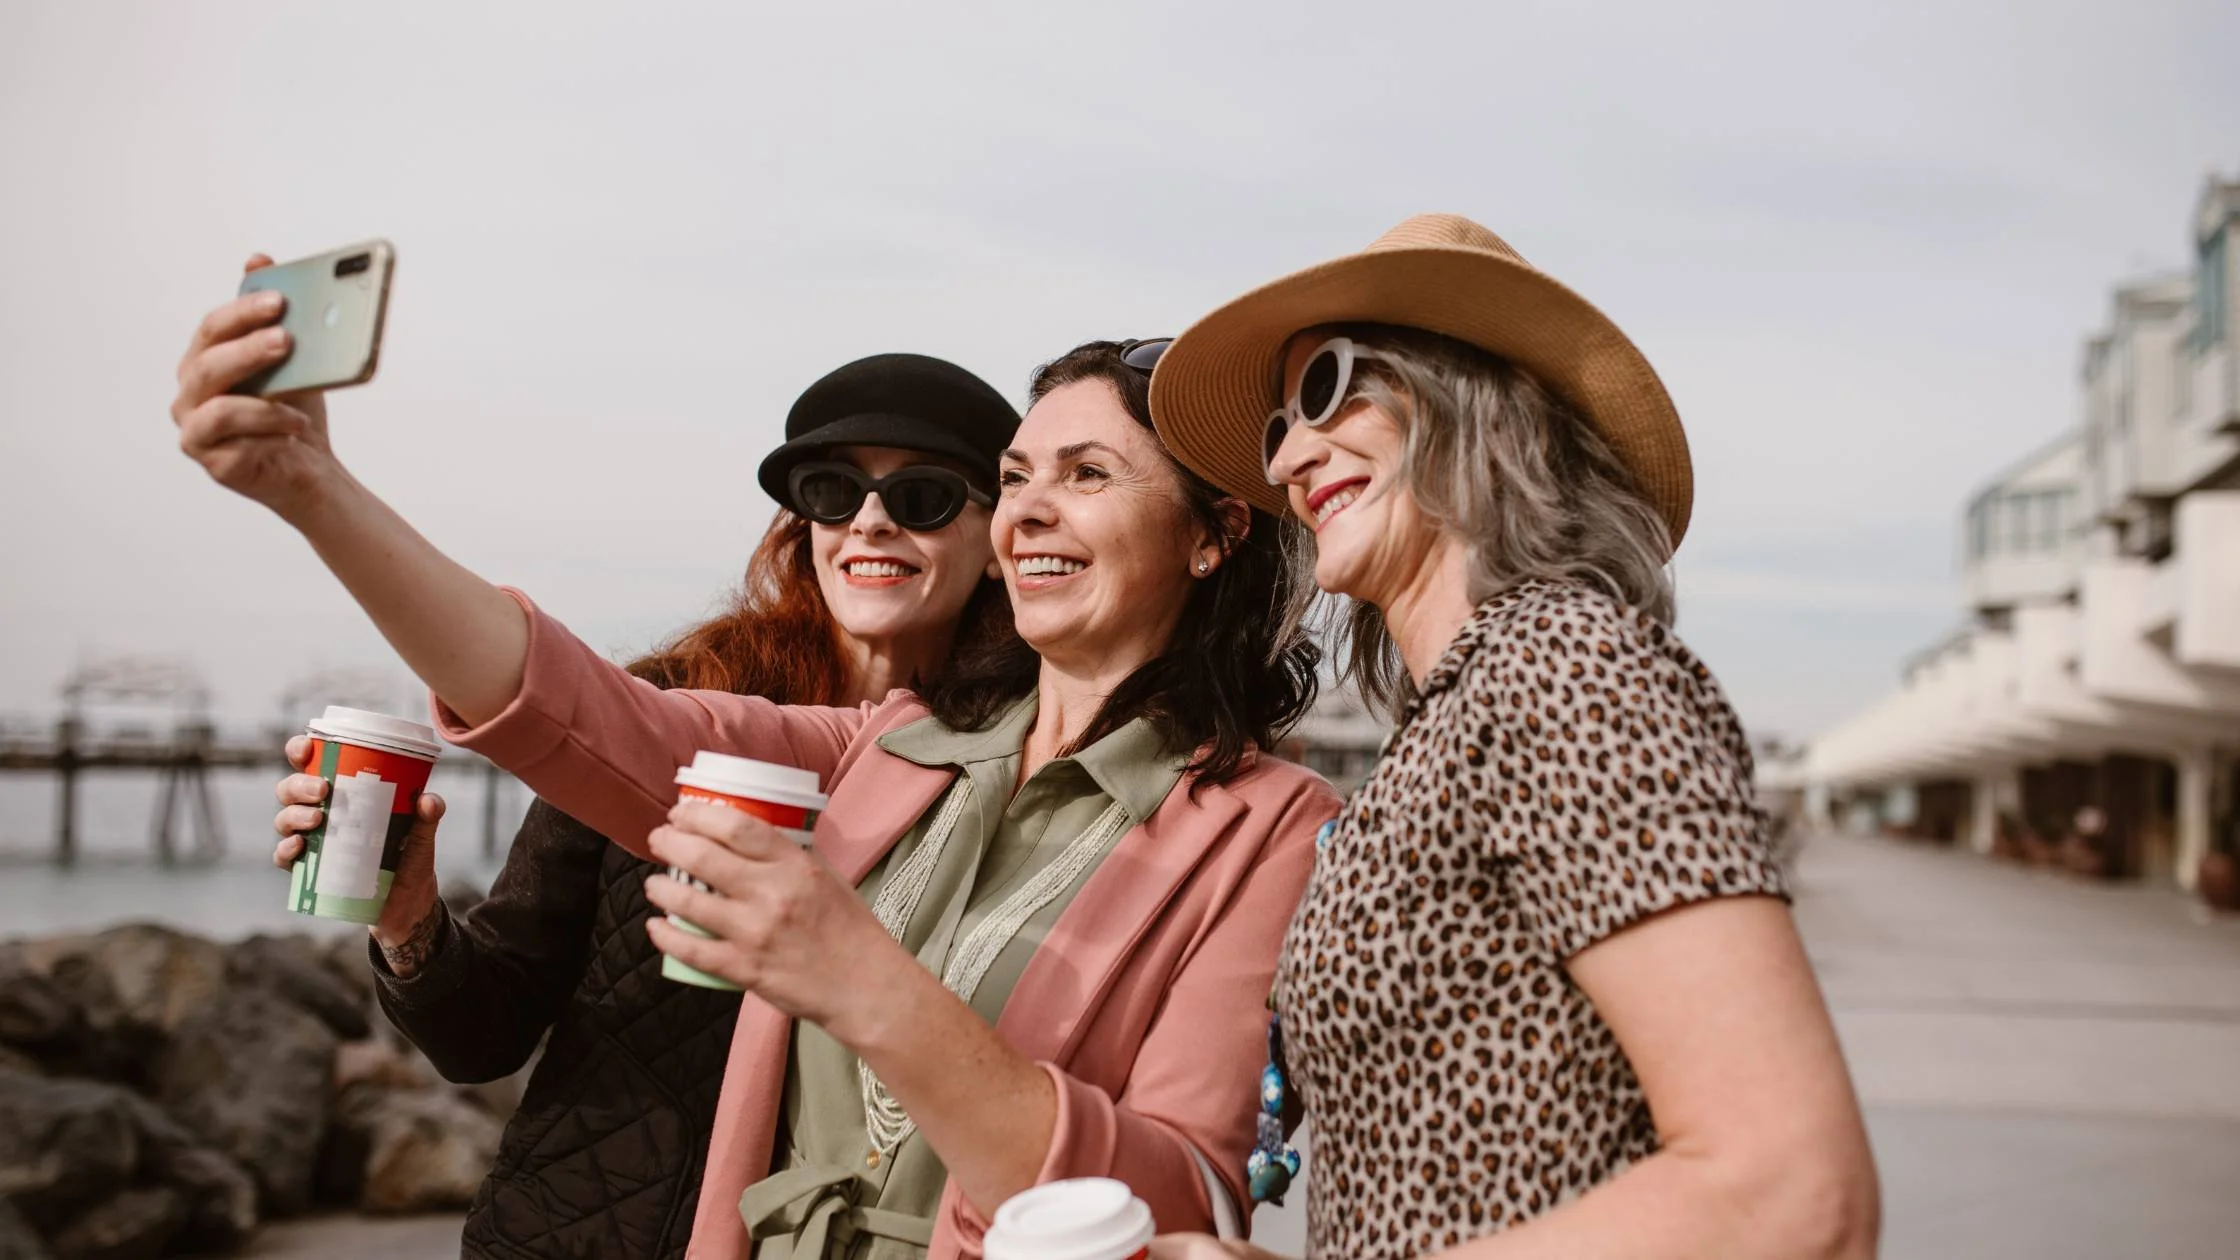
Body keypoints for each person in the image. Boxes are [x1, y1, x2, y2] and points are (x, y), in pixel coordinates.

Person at [170, 278, 1336, 1260]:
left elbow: (1188, 1198)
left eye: (1085, 475)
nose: (1029, 511)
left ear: (1213, 534)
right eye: (1020, 475)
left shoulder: (1272, 827)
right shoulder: (886, 746)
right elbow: (569, 707)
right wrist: (312, 493)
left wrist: (856, 975)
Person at [1143, 214, 1881, 1259]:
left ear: (1469, 399)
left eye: (1326, 390)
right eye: (1275, 430)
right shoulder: (1457, 711)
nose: (1291, 457)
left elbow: (1791, 1193)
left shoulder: (1566, 668)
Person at [264, 351, 1019, 1260]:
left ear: (997, 535)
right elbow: (483, 1036)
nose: (868, 522)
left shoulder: (1018, 769)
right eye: (830, 489)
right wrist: (407, 917)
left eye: (922, 497)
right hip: (570, 1236)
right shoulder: (664, 710)